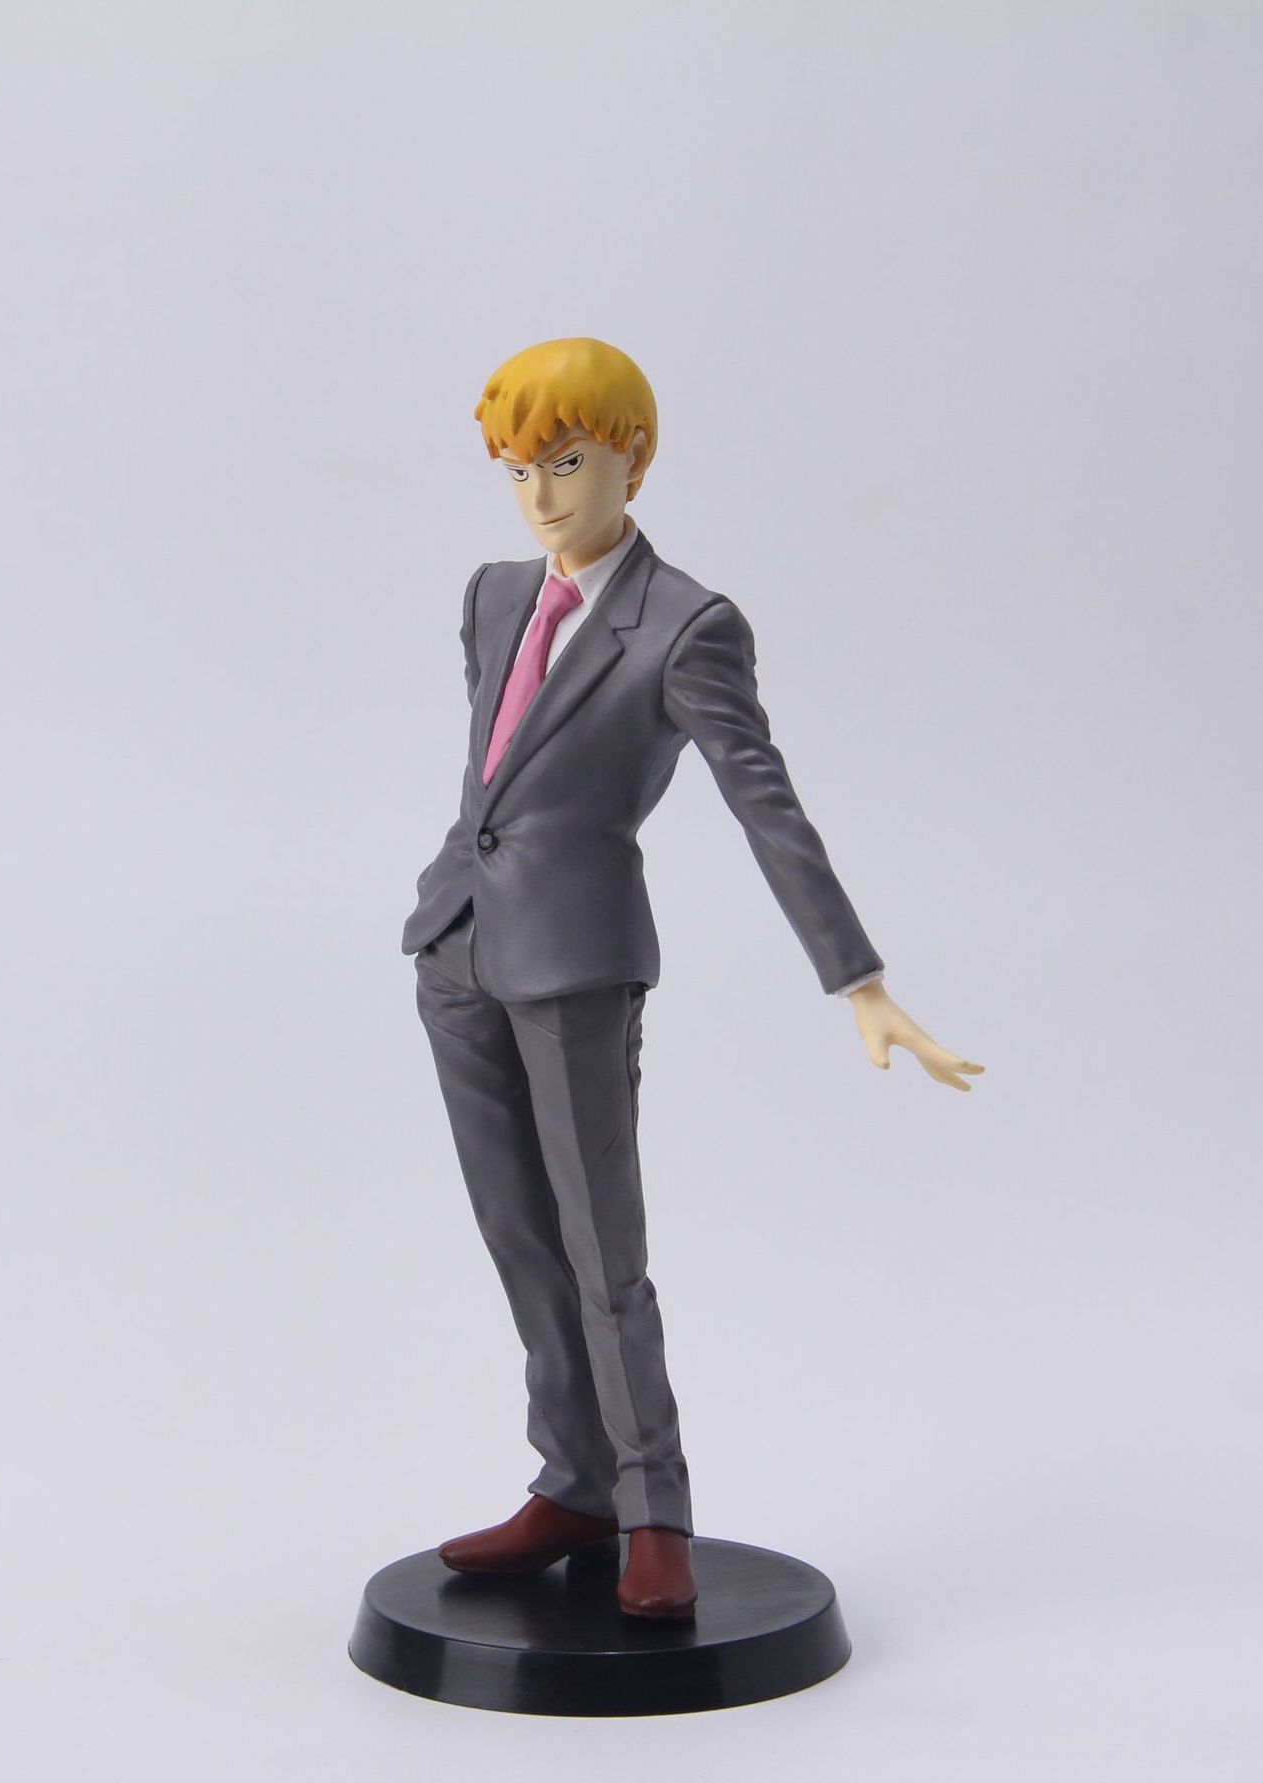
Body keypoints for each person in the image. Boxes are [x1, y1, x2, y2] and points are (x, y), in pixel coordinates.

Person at [401, 337, 982, 1618]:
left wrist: (859, 980)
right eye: (518, 471)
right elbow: (494, 776)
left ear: (632, 458)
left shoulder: (686, 625)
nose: (541, 496)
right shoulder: (492, 597)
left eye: (566, 463)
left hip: (577, 963)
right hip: (458, 949)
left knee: (603, 1248)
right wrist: (445, 915)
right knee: (518, 1235)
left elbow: (765, 804)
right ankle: (573, 1481)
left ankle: (653, 1505)